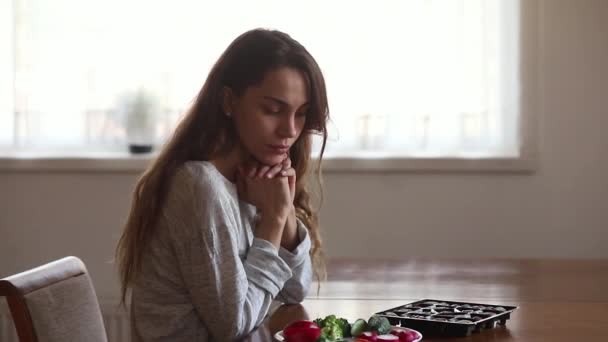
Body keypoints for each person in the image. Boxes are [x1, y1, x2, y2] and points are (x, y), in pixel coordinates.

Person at [115, 28, 329, 341]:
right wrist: (272, 220)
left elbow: (294, 290)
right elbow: (234, 324)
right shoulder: (198, 186)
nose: (290, 129)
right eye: (272, 110)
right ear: (229, 101)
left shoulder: (255, 179)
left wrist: (284, 214)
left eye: (301, 114)